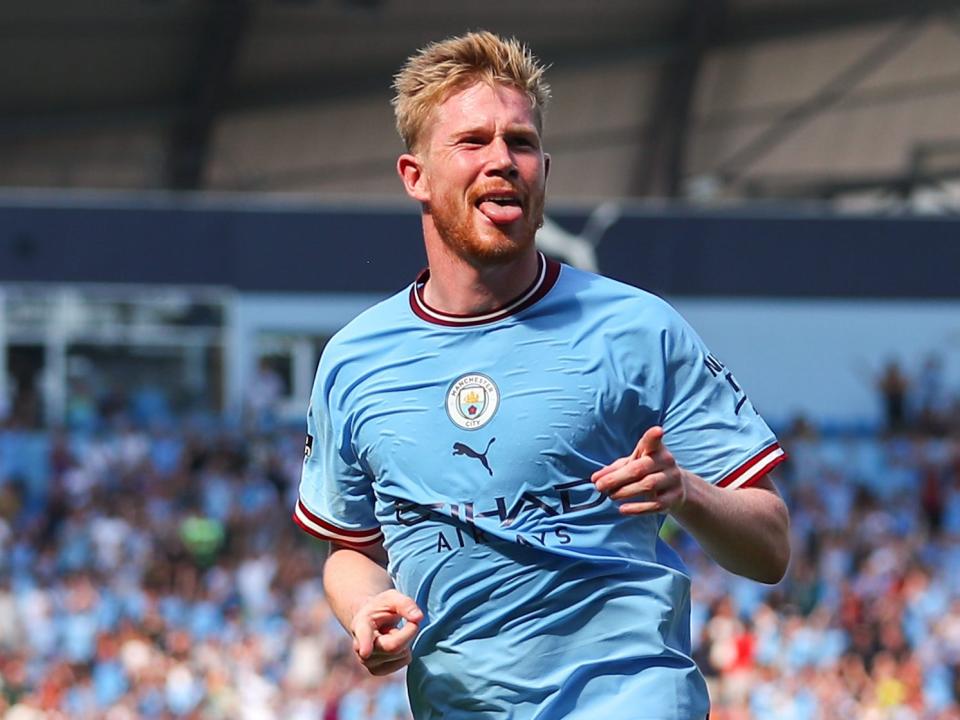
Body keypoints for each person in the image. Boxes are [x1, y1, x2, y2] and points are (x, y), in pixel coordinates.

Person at [293, 30, 790, 720]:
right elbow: (349, 549)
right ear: (416, 176)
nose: (502, 160)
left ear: (545, 169)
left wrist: (687, 494)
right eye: (472, 142)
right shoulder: (355, 359)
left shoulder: (637, 328)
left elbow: (770, 547)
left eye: (520, 143)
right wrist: (364, 606)